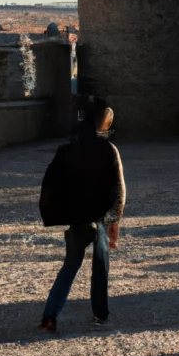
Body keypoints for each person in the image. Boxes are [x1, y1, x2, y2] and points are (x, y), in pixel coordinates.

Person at [38, 95, 126, 333]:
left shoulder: (67, 150)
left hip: (76, 217)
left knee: (69, 267)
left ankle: (49, 315)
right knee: (100, 269)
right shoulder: (109, 150)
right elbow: (119, 190)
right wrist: (114, 221)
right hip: (98, 218)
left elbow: (52, 184)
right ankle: (100, 315)